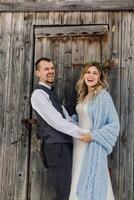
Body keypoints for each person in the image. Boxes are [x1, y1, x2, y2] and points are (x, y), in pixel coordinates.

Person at [31, 57, 90, 200]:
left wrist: (87, 129)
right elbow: (57, 122)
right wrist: (81, 134)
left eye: (52, 68)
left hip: (64, 146)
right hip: (56, 148)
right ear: (37, 73)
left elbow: (67, 118)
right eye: (46, 69)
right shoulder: (39, 94)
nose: (50, 71)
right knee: (64, 192)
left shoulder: (51, 93)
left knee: (70, 190)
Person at [69, 62, 120, 200]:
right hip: (78, 145)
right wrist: (69, 121)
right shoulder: (83, 96)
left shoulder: (103, 96)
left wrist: (92, 136)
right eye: (88, 72)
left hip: (92, 145)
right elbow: (82, 119)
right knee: (77, 179)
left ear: (99, 78)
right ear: (83, 75)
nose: (90, 75)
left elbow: (114, 124)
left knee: (92, 182)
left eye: (95, 73)